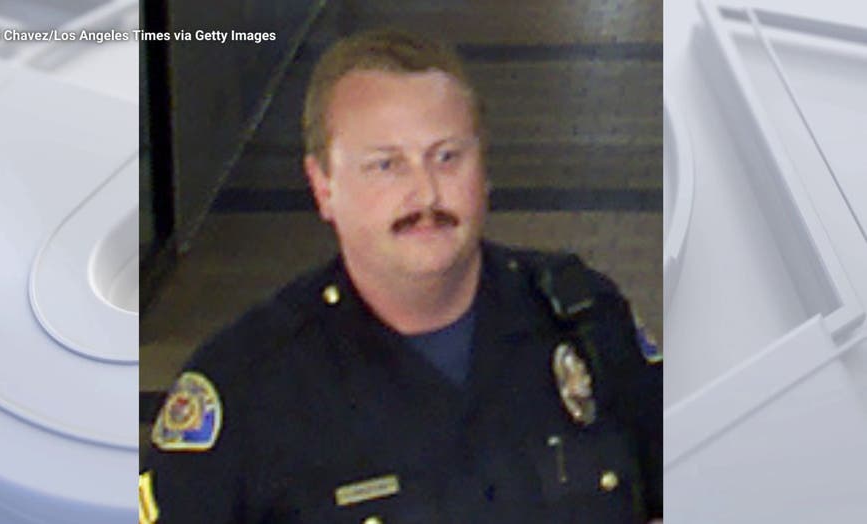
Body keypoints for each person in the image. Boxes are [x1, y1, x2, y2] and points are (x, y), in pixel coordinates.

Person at [139, 28, 662, 523]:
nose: (426, 194)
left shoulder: (585, 321)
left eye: (448, 157)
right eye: (386, 165)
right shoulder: (248, 390)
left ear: (486, 171)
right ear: (322, 187)